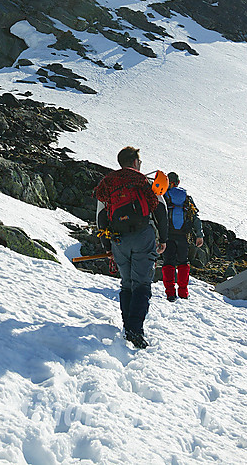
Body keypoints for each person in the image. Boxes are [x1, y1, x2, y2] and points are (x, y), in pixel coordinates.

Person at [94, 146, 168, 349]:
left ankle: (128, 327)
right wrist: (163, 238)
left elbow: (101, 216)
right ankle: (135, 331)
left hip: (118, 239)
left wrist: (106, 245)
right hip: (142, 235)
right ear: (135, 162)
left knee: (126, 283)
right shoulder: (143, 180)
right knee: (142, 284)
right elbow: (160, 209)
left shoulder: (108, 183)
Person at [162, 171, 204, 302]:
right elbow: (195, 217)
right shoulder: (186, 198)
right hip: (183, 235)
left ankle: (170, 293)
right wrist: (199, 235)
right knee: (183, 262)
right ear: (178, 182)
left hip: (168, 235)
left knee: (168, 263)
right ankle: (183, 292)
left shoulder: (164, 196)